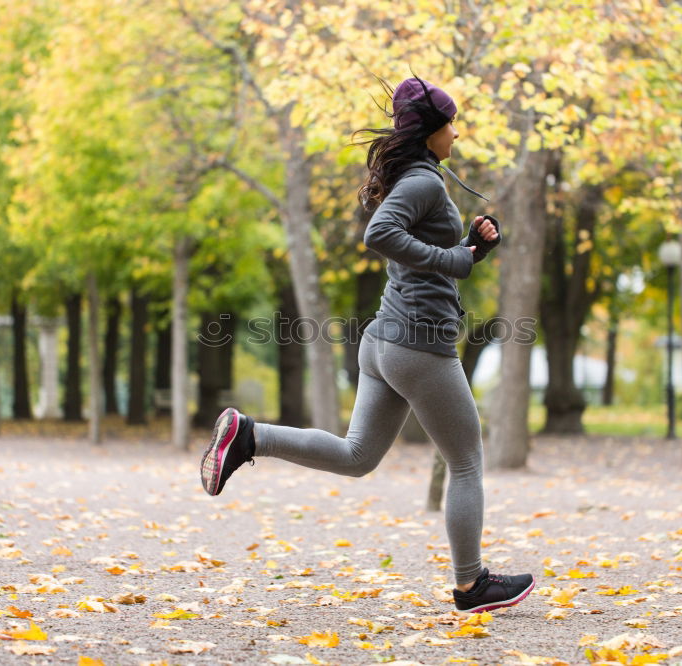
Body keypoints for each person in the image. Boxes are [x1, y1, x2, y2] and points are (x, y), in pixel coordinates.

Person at [200, 76, 535, 613]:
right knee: (468, 460)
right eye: (451, 123)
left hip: (385, 341)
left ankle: (249, 436)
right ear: (431, 130)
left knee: (357, 457)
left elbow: (420, 250)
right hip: (418, 347)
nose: (457, 132)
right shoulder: (423, 182)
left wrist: (470, 246)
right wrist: (456, 258)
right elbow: (380, 234)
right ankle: (473, 585)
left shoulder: (419, 177)